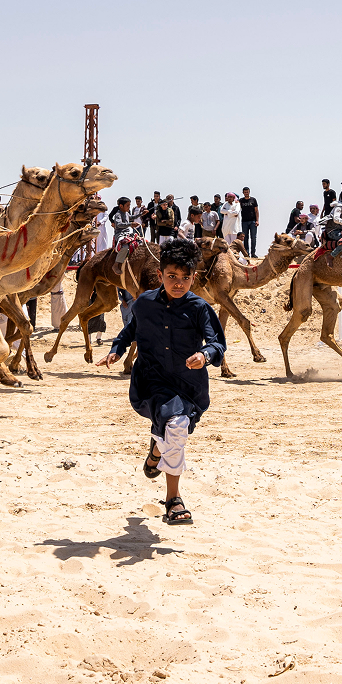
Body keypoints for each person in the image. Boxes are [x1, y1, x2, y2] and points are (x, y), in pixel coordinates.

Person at [98, 239, 225, 527]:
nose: (178, 283)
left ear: (194, 277)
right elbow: (131, 329)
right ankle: (173, 500)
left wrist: (205, 355)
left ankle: (157, 449)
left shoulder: (200, 307)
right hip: (152, 381)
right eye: (172, 276)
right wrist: (117, 349)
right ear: (160, 275)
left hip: (187, 383)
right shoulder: (144, 303)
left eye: (185, 278)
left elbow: (217, 343)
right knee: (176, 426)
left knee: (172, 428)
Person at [108, 197, 138, 270]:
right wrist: (130, 224)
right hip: (120, 234)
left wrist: (141, 214)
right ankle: (116, 264)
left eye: (129, 205)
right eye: (127, 205)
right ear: (121, 206)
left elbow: (132, 217)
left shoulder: (127, 213)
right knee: (125, 247)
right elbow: (119, 224)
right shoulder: (118, 214)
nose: (129, 207)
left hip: (128, 233)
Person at [239, 187, 260, 256]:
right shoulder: (241, 201)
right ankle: (246, 253)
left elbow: (256, 211)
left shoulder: (253, 200)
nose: (246, 193)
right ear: (243, 193)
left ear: (249, 192)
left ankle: (253, 253)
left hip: (252, 221)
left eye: (247, 192)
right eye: (245, 192)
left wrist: (257, 220)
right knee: (245, 238)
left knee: (253, 237)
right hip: (244, 221)